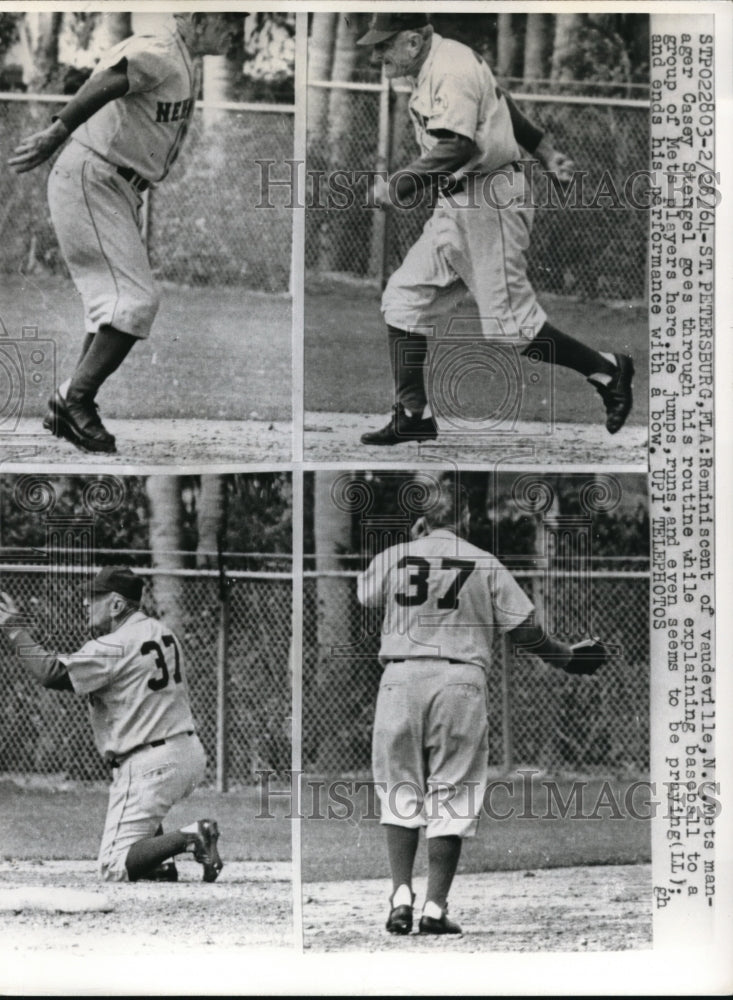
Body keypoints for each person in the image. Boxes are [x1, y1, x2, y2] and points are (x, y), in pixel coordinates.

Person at [356, 13, 634, 446]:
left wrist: (398, 185)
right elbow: (499, 101)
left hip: (491, 202)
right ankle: (412, 415)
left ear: (412, 41)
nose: (377, 55)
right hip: (458, 201)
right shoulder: (437, 63)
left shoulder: (450, 68)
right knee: (404, 299)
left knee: (512, 328)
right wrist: (545, 150)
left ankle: (608, 370)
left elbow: (458, 145)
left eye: (384, 45)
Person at [357, 483, 604, 934]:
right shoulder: (484, 561)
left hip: (399, 678)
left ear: (423, 518)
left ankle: (400, 895)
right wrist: (567, 657)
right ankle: (434, 909)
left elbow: (365, 596)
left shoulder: (395, 556)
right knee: (452, 793)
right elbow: (526, 631)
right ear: (465, 519)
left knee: (399, 789)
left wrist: (415, 542)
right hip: (459, 680)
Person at [8, 13, 247, 455]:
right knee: (135, 301)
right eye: (231, 16)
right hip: (94, 176)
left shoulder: (179, 53)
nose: (238, 26)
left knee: (113, 306)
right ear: (200, 17)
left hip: (112, 184)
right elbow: (112, 77)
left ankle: (71, 401)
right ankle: (73, 400)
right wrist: (57, 130)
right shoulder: (162, 47)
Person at [0, 566, 222, 883]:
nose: (86, 603)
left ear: (116, 604)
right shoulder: (162, 632)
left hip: (150, 764)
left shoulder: (114, 645)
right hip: (188, 754)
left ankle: (193, 836)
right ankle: (157, 863)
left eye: (95, 597)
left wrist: (15, 630)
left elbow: (51, 673)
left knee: (112, 866)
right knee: (140, 819)